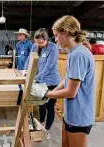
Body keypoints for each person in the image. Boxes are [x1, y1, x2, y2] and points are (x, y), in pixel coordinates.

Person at [31, 15, 95, 147]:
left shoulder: (78, 55)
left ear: (65, 33)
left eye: (56, 35)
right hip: (71, 114)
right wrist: (52, 91)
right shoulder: (74, 53)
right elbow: (67, 78)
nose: (55, 39)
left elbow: (71, 92)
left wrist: (46, 93)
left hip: (79, 117)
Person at [32, 28, 61, 134]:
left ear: (46, 39)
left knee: (49, 106)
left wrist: (34, 78)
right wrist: (25, 71)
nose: (38, 45)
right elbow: (30, 60)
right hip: (41, 81)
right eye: (36, 42)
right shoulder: (35, 46)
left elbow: (48, 68)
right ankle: (41, 122)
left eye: (41, 42)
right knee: (41, 104)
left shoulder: (53, 48)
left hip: (52, 82)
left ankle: (47, 129)